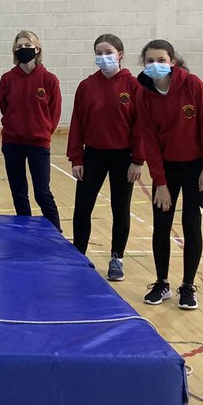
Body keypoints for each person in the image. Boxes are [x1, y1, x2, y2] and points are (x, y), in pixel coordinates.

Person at [135, 39, 203, 310]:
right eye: (150, 61)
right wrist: (159, 182)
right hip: (167, 169)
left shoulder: (193, 85)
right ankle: (162, 283)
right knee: (161, 225)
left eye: (161, 60)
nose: (155, 65)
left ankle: (187, 285)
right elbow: (149, 141)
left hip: (196, 168)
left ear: (172, 61)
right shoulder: (143, 93)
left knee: (191, 223)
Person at [68, 33, 144, 282]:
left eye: (108, 52)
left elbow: (141, 126)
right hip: (93, 155)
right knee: (82, 208)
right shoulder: (87, 86)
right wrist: (76, 157)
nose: (103, 57)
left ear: (120, 54)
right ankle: (79, 255)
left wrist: (138, 160)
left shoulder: (133, 86)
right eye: (98, 53)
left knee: (120, 208)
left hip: (123, 157)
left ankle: (116, 258)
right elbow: (77, 123)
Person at [0, 30, 62, 230]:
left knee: (42, 192)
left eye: (27, 46)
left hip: (38, 144)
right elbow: (4, 107)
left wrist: (42, 132)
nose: (23, 49)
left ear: (37, 48)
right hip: (12, 143)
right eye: (19, 47)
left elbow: (54, 112)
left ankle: (55, 233)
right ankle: (25, 231)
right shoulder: (7, 79)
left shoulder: (49, 80)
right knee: (18, 191)